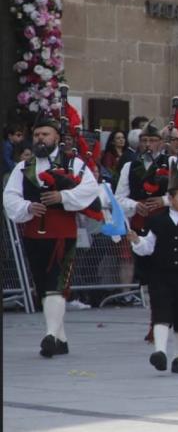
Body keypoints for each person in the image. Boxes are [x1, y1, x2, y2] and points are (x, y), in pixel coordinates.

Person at [3, 118, 100, 358]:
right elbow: (10, 196)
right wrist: (27, 207)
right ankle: (61, 338)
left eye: (45, 134)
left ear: (56, 137)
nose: (40, 139)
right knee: (44, 285)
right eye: (36, 135)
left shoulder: (73, 163)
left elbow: (89, 190)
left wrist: (63, 197)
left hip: (63, 233)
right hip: (34, 232)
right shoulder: (24, 167)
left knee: (57, 283)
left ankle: (49, 336)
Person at [126, 165, 178, 374]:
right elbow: (148, 247)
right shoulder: (157, 220)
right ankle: (160, 352)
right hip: (161, 275)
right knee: (161, 313)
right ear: (170, 199)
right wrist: (137, 241)